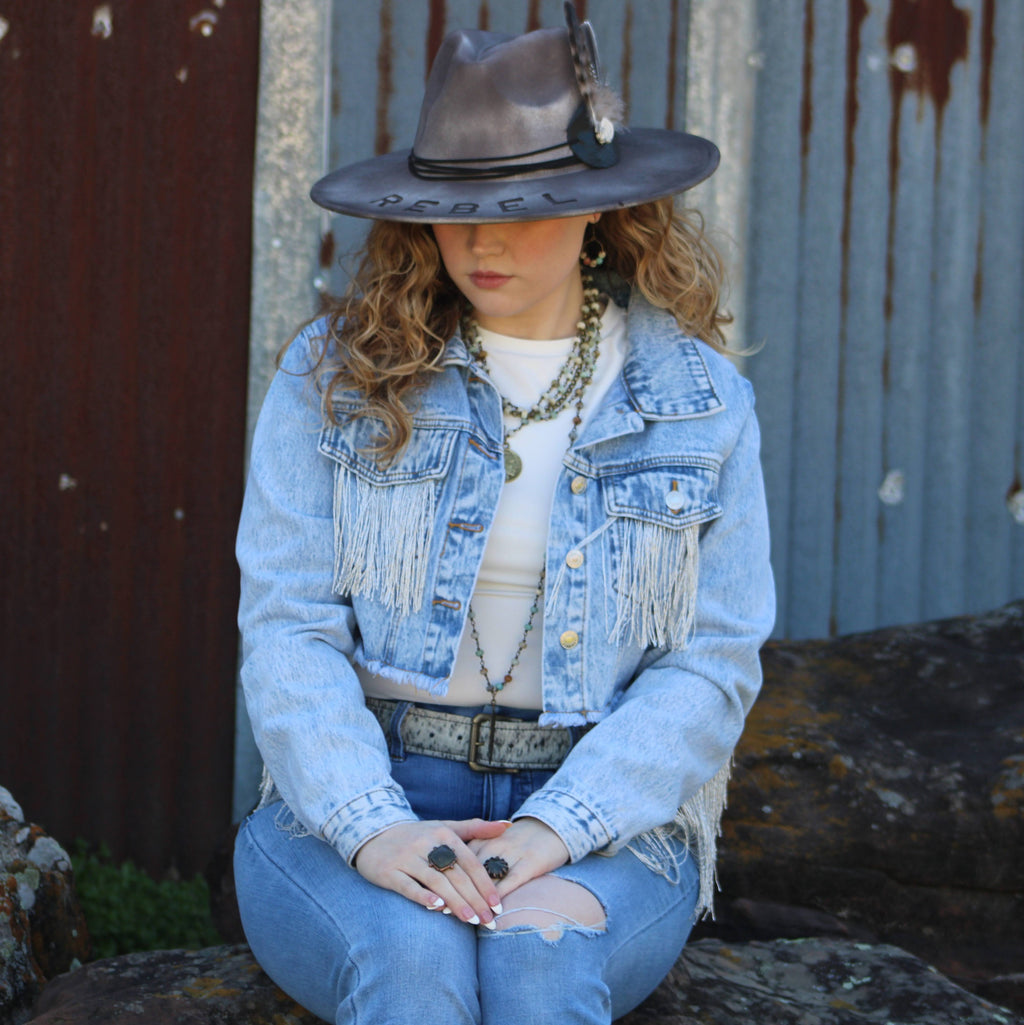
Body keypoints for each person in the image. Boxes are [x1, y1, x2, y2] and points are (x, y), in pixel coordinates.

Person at [233, 5, 774, 1023]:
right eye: (455, 206)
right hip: (366, 788)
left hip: (604, 816)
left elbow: (713, 659)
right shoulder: (336, 378)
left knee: (537, 961)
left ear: (601, 209)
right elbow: (288, 626)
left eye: (524, 205)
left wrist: (561, 825)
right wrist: (371, 823)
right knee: (410, 966)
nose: (481, 239)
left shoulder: (699, 401)